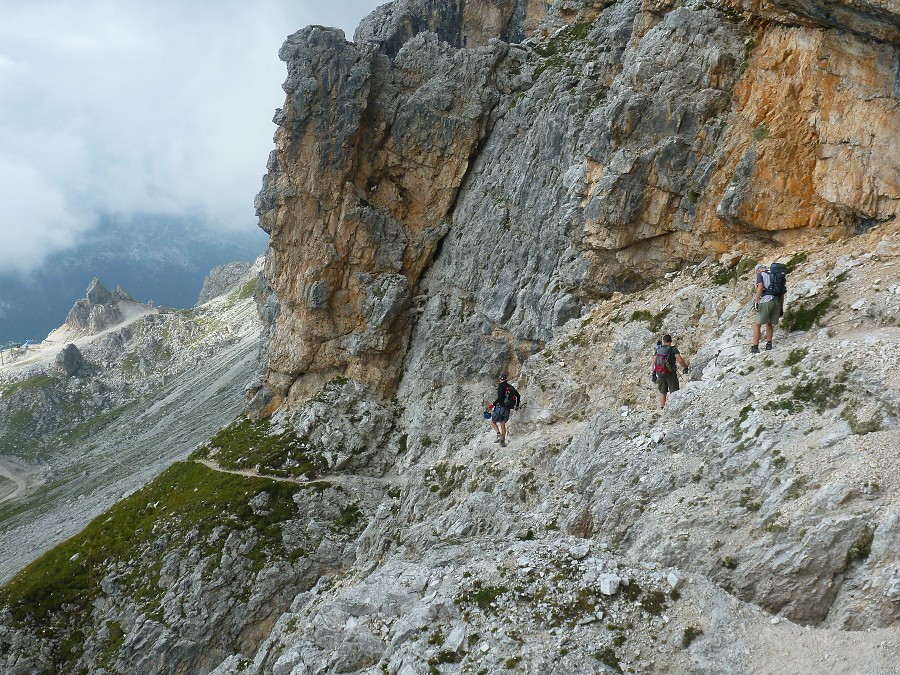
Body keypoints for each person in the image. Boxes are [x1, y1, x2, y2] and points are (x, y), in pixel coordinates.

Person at [751, 263, 783, 353]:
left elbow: (760, 287)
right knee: (769, 323)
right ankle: (769, 345)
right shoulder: (776, 275)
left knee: (757, 324)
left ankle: (755, 347)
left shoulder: (760, 274)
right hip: (777, 301)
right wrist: (781, 307)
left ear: (758, 269)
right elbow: (782, 292)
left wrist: (756, 301)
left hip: (766, 300)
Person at [650, 334, 689, 409]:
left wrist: (653, 374)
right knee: (674, 391)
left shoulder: (658, 349)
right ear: (671, 341)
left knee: (662, 392)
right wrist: (685, 367)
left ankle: (662, 408)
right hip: (670, 373)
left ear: (664, 341)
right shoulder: (673, 349)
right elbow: (680, 360)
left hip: (660, 373)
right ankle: (675, 407)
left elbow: (654, 361)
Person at [489, 373, 520, 447]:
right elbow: (518, 395)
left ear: (500, 379)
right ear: (506, 379)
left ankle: (498, 434)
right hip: (507, 409)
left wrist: (492, 405)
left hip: (500, 408)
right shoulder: (511, 387)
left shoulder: (501, 386)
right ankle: (502, 441)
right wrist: (517, 405)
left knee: (493, 422)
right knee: (503, 424)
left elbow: (500, 398)